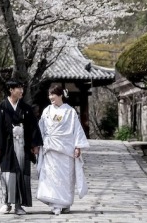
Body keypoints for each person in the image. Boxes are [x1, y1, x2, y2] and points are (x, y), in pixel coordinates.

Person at [0, 80, 43, 216]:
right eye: (19, 88)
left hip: (22, 145)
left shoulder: (26, 108)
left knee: (21, 173)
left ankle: (18, 205)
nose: (21, 91)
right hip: (7, 145)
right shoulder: (1, 107)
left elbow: (33, 127)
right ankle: (6, 203)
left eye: (22, 88)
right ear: (11, 90)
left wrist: (34, 144)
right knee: (7, 174)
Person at [36, 82, 89, 215]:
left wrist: (78, 146)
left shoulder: (70, 111)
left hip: (65, 149)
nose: (50, 97)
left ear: (60, 95)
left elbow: (77, 129)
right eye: (49, 95)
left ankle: (65, 203)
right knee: (51, 176)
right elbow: (41, 128)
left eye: (53, 95)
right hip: (50, 148)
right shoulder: (47, 111)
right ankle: (55, 204)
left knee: (65, 177)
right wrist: (36, 144)